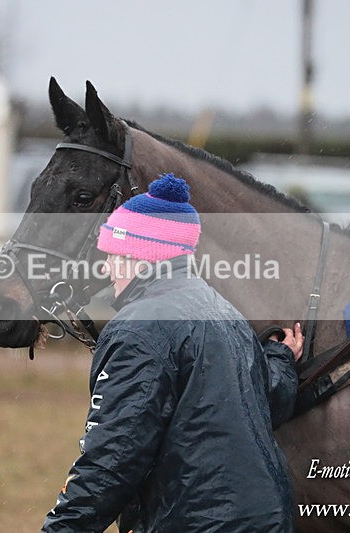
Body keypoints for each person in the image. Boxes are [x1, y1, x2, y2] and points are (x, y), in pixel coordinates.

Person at [42, 173, 302, 532]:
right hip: (266, 519)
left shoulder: (139, 327)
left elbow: (114, 457)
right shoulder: (224, 312)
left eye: (113, 255)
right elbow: (266, 400)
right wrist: (280, 358)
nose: (106, 268)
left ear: (142, 255)